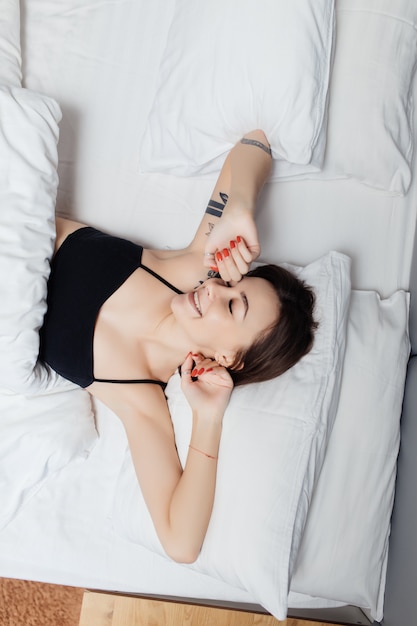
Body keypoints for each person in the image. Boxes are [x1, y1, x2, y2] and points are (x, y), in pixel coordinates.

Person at [40, 130, 317, 564]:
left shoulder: (140, 400)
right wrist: (239, 208)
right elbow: (255, 144)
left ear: (228, 359)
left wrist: (209, 418)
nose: (213, 292)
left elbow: (181, 544)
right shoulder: (193, 265)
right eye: (231, 283)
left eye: (233, 307)